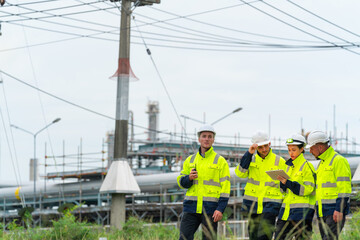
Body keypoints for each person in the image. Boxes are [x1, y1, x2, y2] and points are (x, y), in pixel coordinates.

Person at [177, 125, 231, 240]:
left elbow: (225, 188)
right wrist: (189, 178)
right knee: (184, 238)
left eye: (210, 136)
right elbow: (181, 183)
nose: (207, 139)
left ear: (213, 140)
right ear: (199, 139)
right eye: (204, 136)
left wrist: (220, 209)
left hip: (210, 209)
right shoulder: (190, 160)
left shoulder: (220, 161)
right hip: (190, 208)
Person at [235, 130, 286, 240]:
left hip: (271, 205)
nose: (263, 149)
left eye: (265, 146)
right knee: (253, 237)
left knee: (263, 237)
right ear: (255, 147)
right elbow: (240, 173)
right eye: (260, 147)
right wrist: (248, 154)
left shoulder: (279, 161)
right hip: (252, 205)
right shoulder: (250, 159)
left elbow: (285, 184)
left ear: (269, 144)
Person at [307, 130, 352, 240]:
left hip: (334, 211)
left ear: (320, 147)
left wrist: (340, 209)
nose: (310, 151)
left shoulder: (339, 161)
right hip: (322, 211)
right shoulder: (322, 163)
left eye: (312, 148)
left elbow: (344, 188)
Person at [275, 134, 316, 240]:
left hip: (302, 212)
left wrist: (288, 183)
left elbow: (308, 189)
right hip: (286, 211)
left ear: (302, 149)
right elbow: (284, 192)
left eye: (293, 150)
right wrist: (282, 184)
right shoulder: (286, 166)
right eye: (289, 150)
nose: (291, 153)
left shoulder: (307, 167)